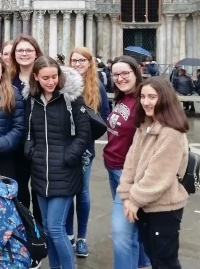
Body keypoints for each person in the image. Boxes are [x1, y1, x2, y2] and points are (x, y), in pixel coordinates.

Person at [25, 57, 91, 269]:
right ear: (36, 77)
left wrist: (68, 157)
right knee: (46, 227)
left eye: (54, 76)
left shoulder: (72, 100)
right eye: (45, 78)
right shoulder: (32, 100)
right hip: (40, 171)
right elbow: (29, 133)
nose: (51, 81)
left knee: (55, 228)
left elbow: (84, 135)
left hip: (64, 172)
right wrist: (31, 152)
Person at [118, 77, 189, 268]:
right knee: (152, 254)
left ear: (164, 98)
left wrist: (134, 199)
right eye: (142, 96)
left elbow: (159, 174)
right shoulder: (145, 125)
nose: (146, 102)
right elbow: (131, 162)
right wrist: (126, 193)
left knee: (165, 261)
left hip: (164, 208)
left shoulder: (171, 132)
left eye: (152, 97)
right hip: (146, 205)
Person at [102, 56, 150, 269]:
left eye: (125, 73)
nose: (120, 78)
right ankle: (141, 262)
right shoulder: (123, 98)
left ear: (136, 73)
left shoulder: (144, 100)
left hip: (129, 175)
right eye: (116, 74)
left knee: (121, 231)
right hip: (113, 167)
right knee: (133, 225)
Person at [66, 46, 110, 257]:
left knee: (82, 192)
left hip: (85, 148)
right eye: (74, 60)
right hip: (63, 145)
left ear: (90, 63)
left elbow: (105, 117)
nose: (78, 64)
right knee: (65, 191)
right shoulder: (62, 83)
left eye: (82, 60)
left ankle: (81, 237)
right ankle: (68, 234)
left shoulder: (97, 87)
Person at [8, 35, 44, 243]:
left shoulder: (45, 76)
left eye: (28, 50)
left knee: (39, 189)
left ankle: (40, 231)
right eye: (20, 51)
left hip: (41, 143)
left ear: (36, 52)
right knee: (20, 189)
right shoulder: (8, 79)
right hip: (16, 144)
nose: (24, 54)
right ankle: (24, 229)